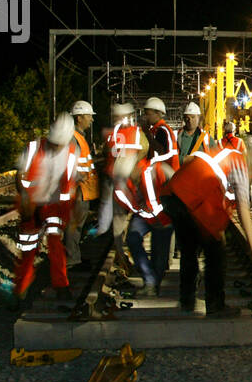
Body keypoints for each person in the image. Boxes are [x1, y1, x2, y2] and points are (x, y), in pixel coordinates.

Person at [159, 137, 252, 314]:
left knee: (189, 252)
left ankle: (187, 301)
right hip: (193, 196)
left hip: (173, 195)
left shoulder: (217, 150)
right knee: (215, 252)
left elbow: (187, 161)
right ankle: (216, 305)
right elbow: (242, 206)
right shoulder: (239, 162)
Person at [13, 114, 79, 303]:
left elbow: (69, 185)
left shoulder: (71, 153)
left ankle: (61, 285)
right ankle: (21, 288)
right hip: (31, 205)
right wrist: (25, 196)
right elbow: (20, 175)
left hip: (55, 206)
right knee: (28, 248)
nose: (56, 148)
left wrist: (70, 213)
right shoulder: (33, 148)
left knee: (55, 244)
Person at [97, 102, 146, 273]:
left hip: (113, 181)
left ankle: (119, 251)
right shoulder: (135, 133)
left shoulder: (111, 134)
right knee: (133, 218)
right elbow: (143, 151)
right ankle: (122, 253)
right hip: (129, 183)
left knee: (116, 221)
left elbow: (105, 154)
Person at [118, 152, 174, 295]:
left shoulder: (158, 170)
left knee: (159, 255)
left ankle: (154, 285)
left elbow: (177, 185)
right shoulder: (125, 182)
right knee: (132, 238)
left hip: (164, 216)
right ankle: (149, 280)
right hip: (144, 215)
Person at [65, 100, 100, 270]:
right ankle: (72, 260)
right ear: (79, 118)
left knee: (77, 226)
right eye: (89, 116)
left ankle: (74, 257)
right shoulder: (73, 138)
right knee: (73, 226)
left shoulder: (79, 137)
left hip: (82, 190)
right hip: (77, 190)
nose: (91, 120)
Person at [142, 96, 180, 171]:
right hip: (164, 170)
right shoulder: (157, 129)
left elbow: (161, 150)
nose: (146, 117)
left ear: (157, 113)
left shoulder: (162, 130)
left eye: (148, 114)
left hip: (168, 172)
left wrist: (146, 133)